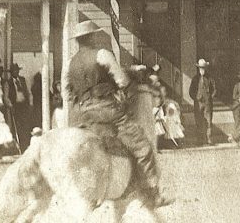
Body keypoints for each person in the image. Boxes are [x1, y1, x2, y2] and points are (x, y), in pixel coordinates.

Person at [68, 20, 169, 208]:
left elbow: (69, 92)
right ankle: (152, 194)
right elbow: (122, 81)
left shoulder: (71, 63)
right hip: (107, 111)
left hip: (83, 114)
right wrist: (128, 79)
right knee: (143, 146)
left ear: (77, 40)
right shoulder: (102, 54)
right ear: (92, 37)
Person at [188, 58, 216, 146]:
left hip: (208, 104)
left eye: (203, 68)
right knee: (199, 121)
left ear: (205, 68)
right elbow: (191, 91)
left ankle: (209, 139)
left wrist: (210, 97)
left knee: (208, 121)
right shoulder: (195, 79)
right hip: (198, 103)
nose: (202, 69)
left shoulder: (210, 78)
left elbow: (214, 89)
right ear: (198, 68)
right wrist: (196, 98)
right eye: (201, 68)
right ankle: (199, 140)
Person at [6, 63, 32, 151]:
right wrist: (10, 105)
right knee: (17, 126)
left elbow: (28, 92)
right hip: (15, 106)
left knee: (26, 125)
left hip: (24, 105)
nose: (16, 72)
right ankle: (20, 146)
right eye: (14, 71)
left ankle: (26, 145)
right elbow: (6, 97)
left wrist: (30, 104)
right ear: (11, 72)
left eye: (17, 70)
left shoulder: (22, 80)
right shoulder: (8, 82)